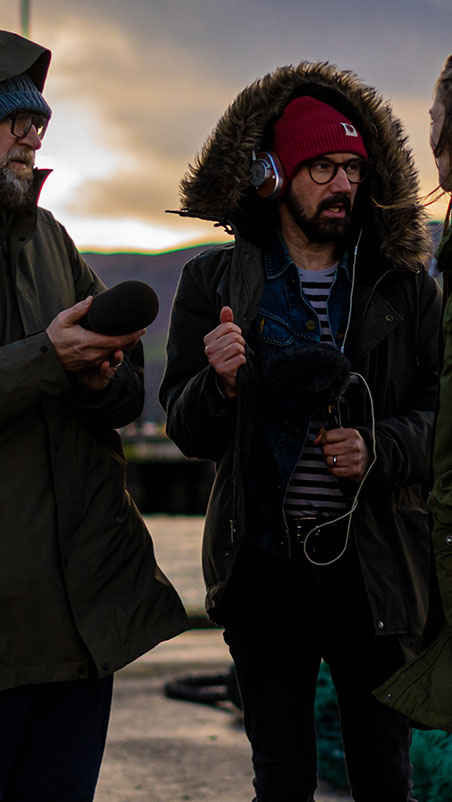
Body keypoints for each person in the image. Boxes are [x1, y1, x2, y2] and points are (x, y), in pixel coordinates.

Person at [160, 61, 441, 801]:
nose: (343, 183)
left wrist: (379, 450)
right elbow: (187, 430)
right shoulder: (212, 283)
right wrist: (219, 385)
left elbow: (442, 418)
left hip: (376, 567)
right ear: (272, 176)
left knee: (386, 777)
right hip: (265, 567)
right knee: (280, 780)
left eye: (352, 167)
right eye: (321, 167)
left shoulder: (406, 286)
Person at [0, 29, 188, 801]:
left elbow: (123, 394)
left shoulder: (50, 239)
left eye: (39, 117)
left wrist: (100, 371)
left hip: (79, 632)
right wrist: (50, 358)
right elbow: (47, 356)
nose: (32, 132)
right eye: (13, 115)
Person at [376, 55, 452, 731]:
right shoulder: (440, 270)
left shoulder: (416, 286)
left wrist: (377, 448)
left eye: (434, 111)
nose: (426, 122)